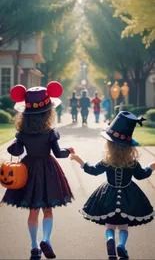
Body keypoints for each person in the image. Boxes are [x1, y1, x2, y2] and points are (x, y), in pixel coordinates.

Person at [0, 82, 75, 260]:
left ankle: (34, 247)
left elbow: (16, 152)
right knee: (47, 210)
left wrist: (14, 145)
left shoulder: (22, 133)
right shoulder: (50, 132)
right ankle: (46, 240)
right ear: (48, 112)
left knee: (33, 211)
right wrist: (68, 151)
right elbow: (58, 153)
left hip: (28, 171)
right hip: (48, 170)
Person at [71, 111, 155, 260]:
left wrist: (79, 160)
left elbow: (93, 171)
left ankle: (110, 239)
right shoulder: (132, 163)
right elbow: (141, 175)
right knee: (123, 226)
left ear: (109, 144)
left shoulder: (107, 161)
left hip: (107, 196)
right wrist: (151, 167)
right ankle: (121, 245)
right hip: (129, 197)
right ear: (129, 147)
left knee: (110, 225)